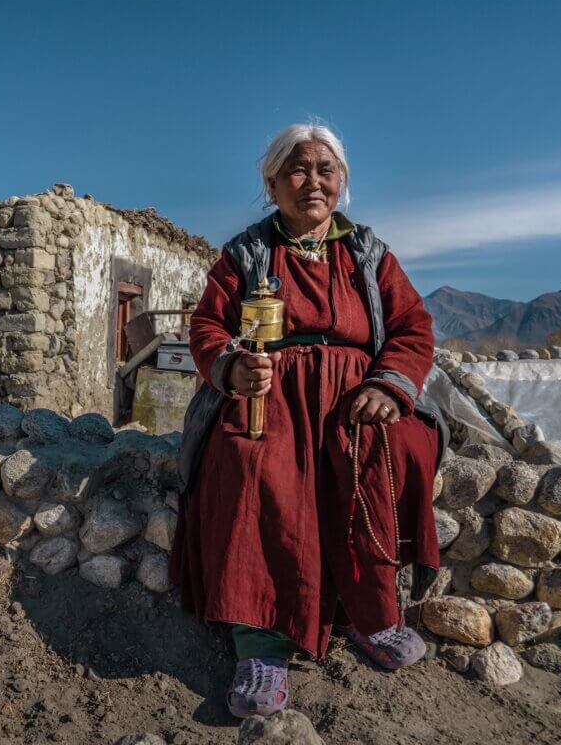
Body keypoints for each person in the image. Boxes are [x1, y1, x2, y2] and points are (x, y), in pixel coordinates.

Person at [168, 123, 447, 718]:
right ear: (272, 183)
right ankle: (261, 646)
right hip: (269, 394)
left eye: (326, 170)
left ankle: (373, 618)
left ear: (341, 183)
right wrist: (233, 366)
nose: (313, 181)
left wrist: (388, 387)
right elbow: (207, 328)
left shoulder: (369, 254)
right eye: (298, 169)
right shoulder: (245, 253)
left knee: (388, 458)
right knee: (251, 471)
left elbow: (412, 329)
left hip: (356, 396)